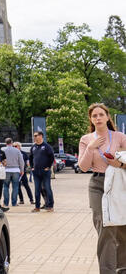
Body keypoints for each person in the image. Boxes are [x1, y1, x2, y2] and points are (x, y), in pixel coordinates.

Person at [78, 103, 126, 273]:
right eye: (94, 116)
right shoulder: (86, 139)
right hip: (98, 184)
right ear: (91, 119)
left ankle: (122, 269)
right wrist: (91, 148)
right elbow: (83, 167)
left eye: (101, 115)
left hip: (119, 184)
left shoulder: (120, 137)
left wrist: (119, 163)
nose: (98, 118)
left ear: (107, 117)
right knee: (105, 227)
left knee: (121, 228)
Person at [29, 131, 54, 212]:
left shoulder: (46, 147)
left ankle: (50, 206)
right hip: (36, 172)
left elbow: (51, 157)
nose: (35, 137)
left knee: (47, 188)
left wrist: (48, 167)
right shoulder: (33, 147)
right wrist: (32, 167)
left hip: (45, 172)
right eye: (34, 136)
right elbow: (30, 158)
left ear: (41, 136)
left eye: (36, 135)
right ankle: (37, 207)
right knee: (37, 189)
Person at [2, 137, 24, 207]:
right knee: (15, 187)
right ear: (12, 142)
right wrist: (22, 170)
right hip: (15, 170)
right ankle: (14, 203)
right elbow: (21, 161)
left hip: (6, 170)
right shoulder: (17, 150)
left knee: (5, 186)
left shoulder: (2, 150)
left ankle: (6, 203)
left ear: (5, 143)